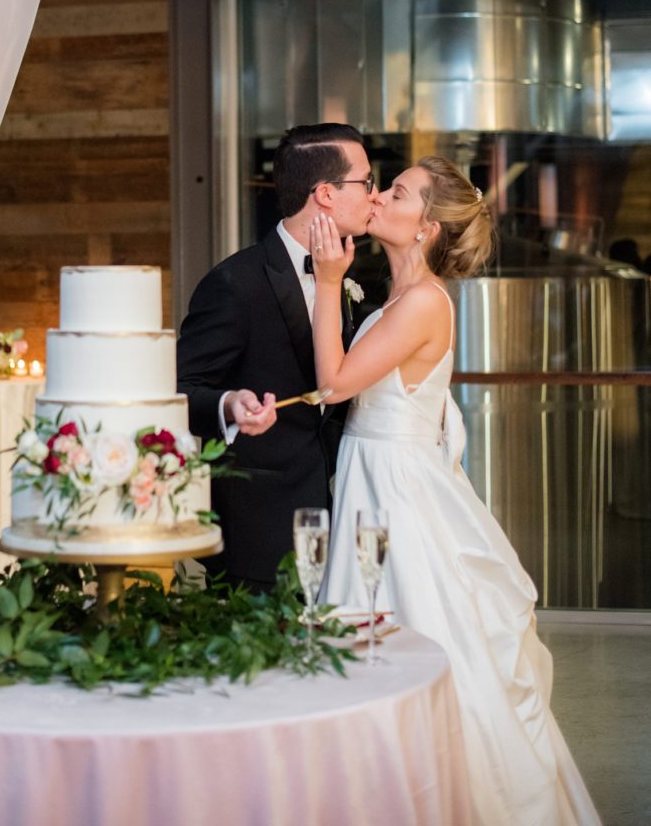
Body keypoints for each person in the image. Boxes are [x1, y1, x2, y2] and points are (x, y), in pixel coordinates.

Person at [309, 156, 601, 826]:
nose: (379, 196)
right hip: (376, 473)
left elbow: (335, 383)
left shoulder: (420, 303)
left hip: (396, 493)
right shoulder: (401, 297)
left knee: (411, 630)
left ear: (427, 228)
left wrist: (328, 282)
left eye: (398, 192)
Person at [177, 123, 377, 591]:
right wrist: (228, 404)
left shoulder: (345, 272)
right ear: (325, 193)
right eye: (365, 182)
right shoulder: (235, 283)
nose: (375, 194)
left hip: (339, 510)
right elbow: (177, 390)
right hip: (260, 523)